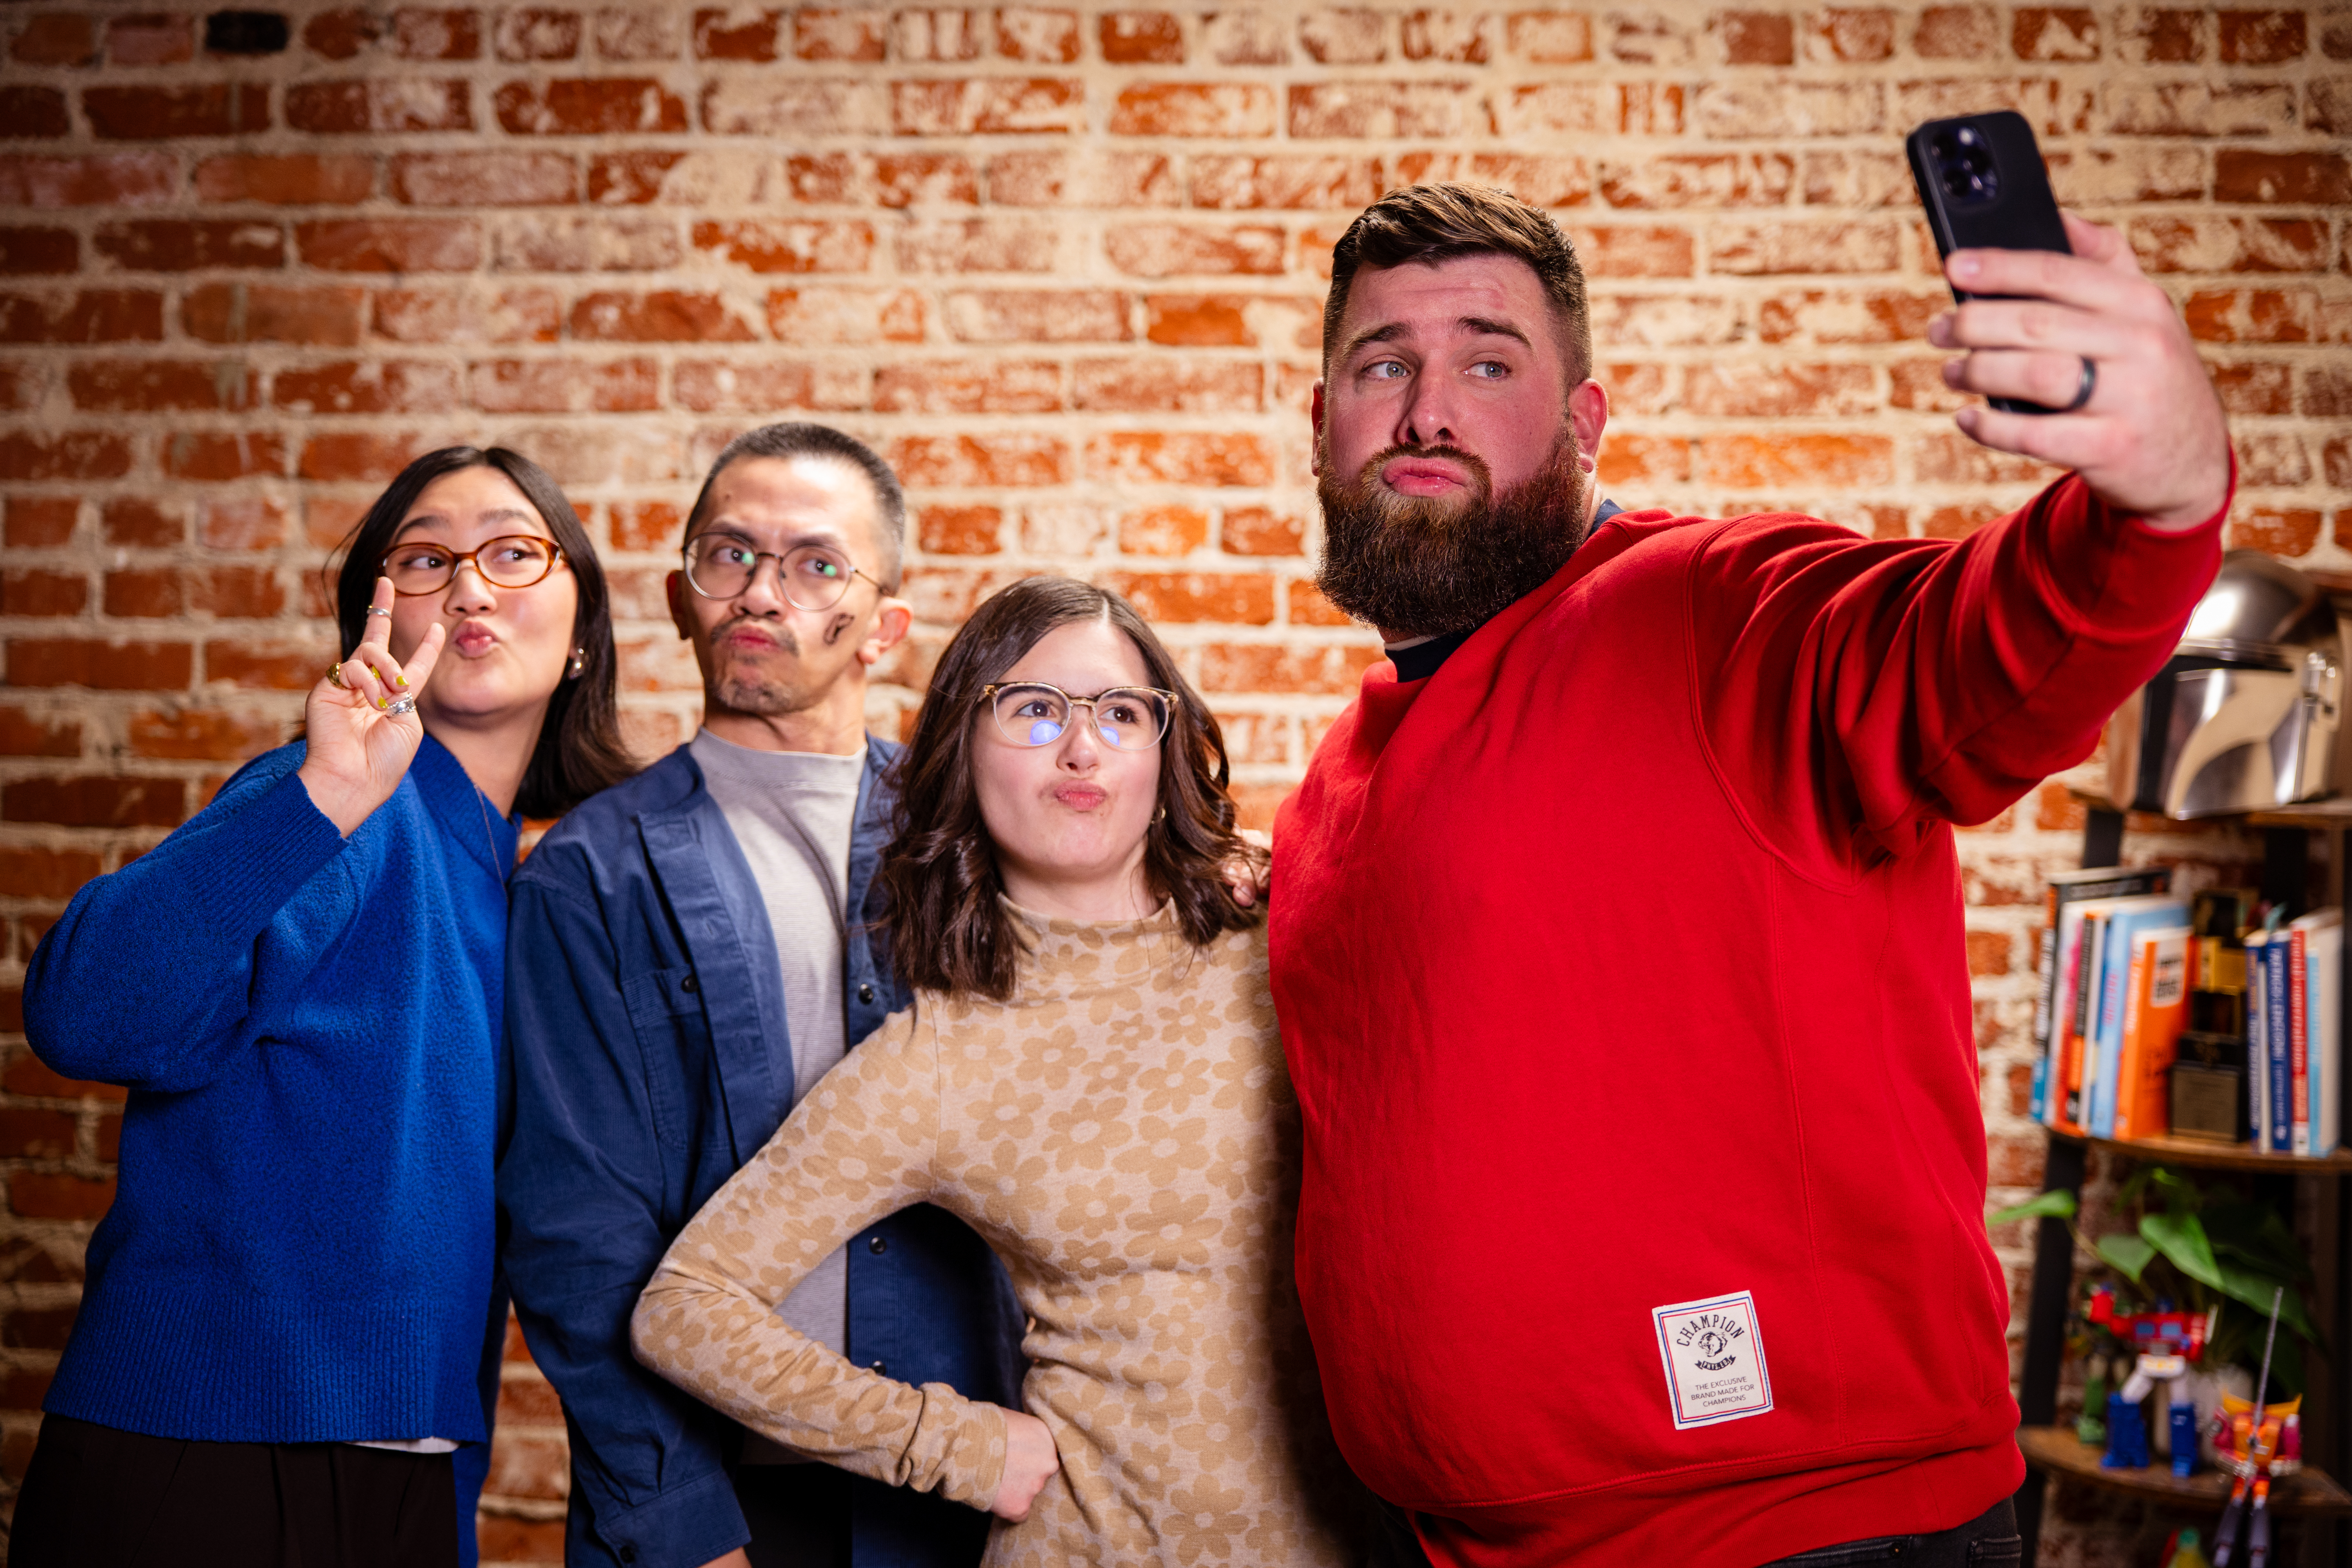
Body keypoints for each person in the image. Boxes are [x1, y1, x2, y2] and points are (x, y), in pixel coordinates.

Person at [1269, 182, 2233, 1566]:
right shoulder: (1342, 775)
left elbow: (1992, 640)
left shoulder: (1720, 613)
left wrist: (2159, 492)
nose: (1428, 409)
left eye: (1489, 362)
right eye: (1384, 366)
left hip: (1800, 1539)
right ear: (1325, 427)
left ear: (1584, 424)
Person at [629, 574, 1360, 1568]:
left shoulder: (1283, 919)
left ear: (1164, 744)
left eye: (1119, 711)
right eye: (1033, 709)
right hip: (1097, 1542)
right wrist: (957, 1446)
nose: (1081, 745)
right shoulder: (939, 1057)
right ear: (962, 750)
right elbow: (687, 1307)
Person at [11, 445, 634, 1568]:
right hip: (205, 1451)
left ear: (584, 627)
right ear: (379, 623)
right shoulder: (332, 810)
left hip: (404, 1468)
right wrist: (326, 792)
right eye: (426, 559)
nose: (470, 586)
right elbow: (84, 1013)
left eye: (511, 551)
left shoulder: (527, 890)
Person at [499, 423, 1027, 1568]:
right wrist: (681, 1529)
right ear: (682, 596)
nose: (760, 591)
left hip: (969, 1485)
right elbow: (574, 1231)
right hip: (723, 1497)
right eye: (729, 555)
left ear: (885, 628)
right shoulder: (591, 876)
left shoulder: (981, 842)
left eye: (815, 565)